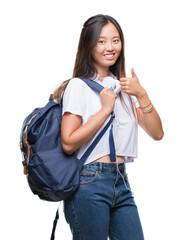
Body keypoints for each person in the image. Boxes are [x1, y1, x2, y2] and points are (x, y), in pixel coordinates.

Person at [54, 14, 164, 240]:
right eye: (101, 41)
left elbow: (157, 133)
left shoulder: (123, 87)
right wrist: (104, 110)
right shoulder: (78, 86)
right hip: (89, 182)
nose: (110, 47)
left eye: (115, 40)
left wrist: (141, 94)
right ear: (89, 45)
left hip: (121, 181)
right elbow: (67, 142)